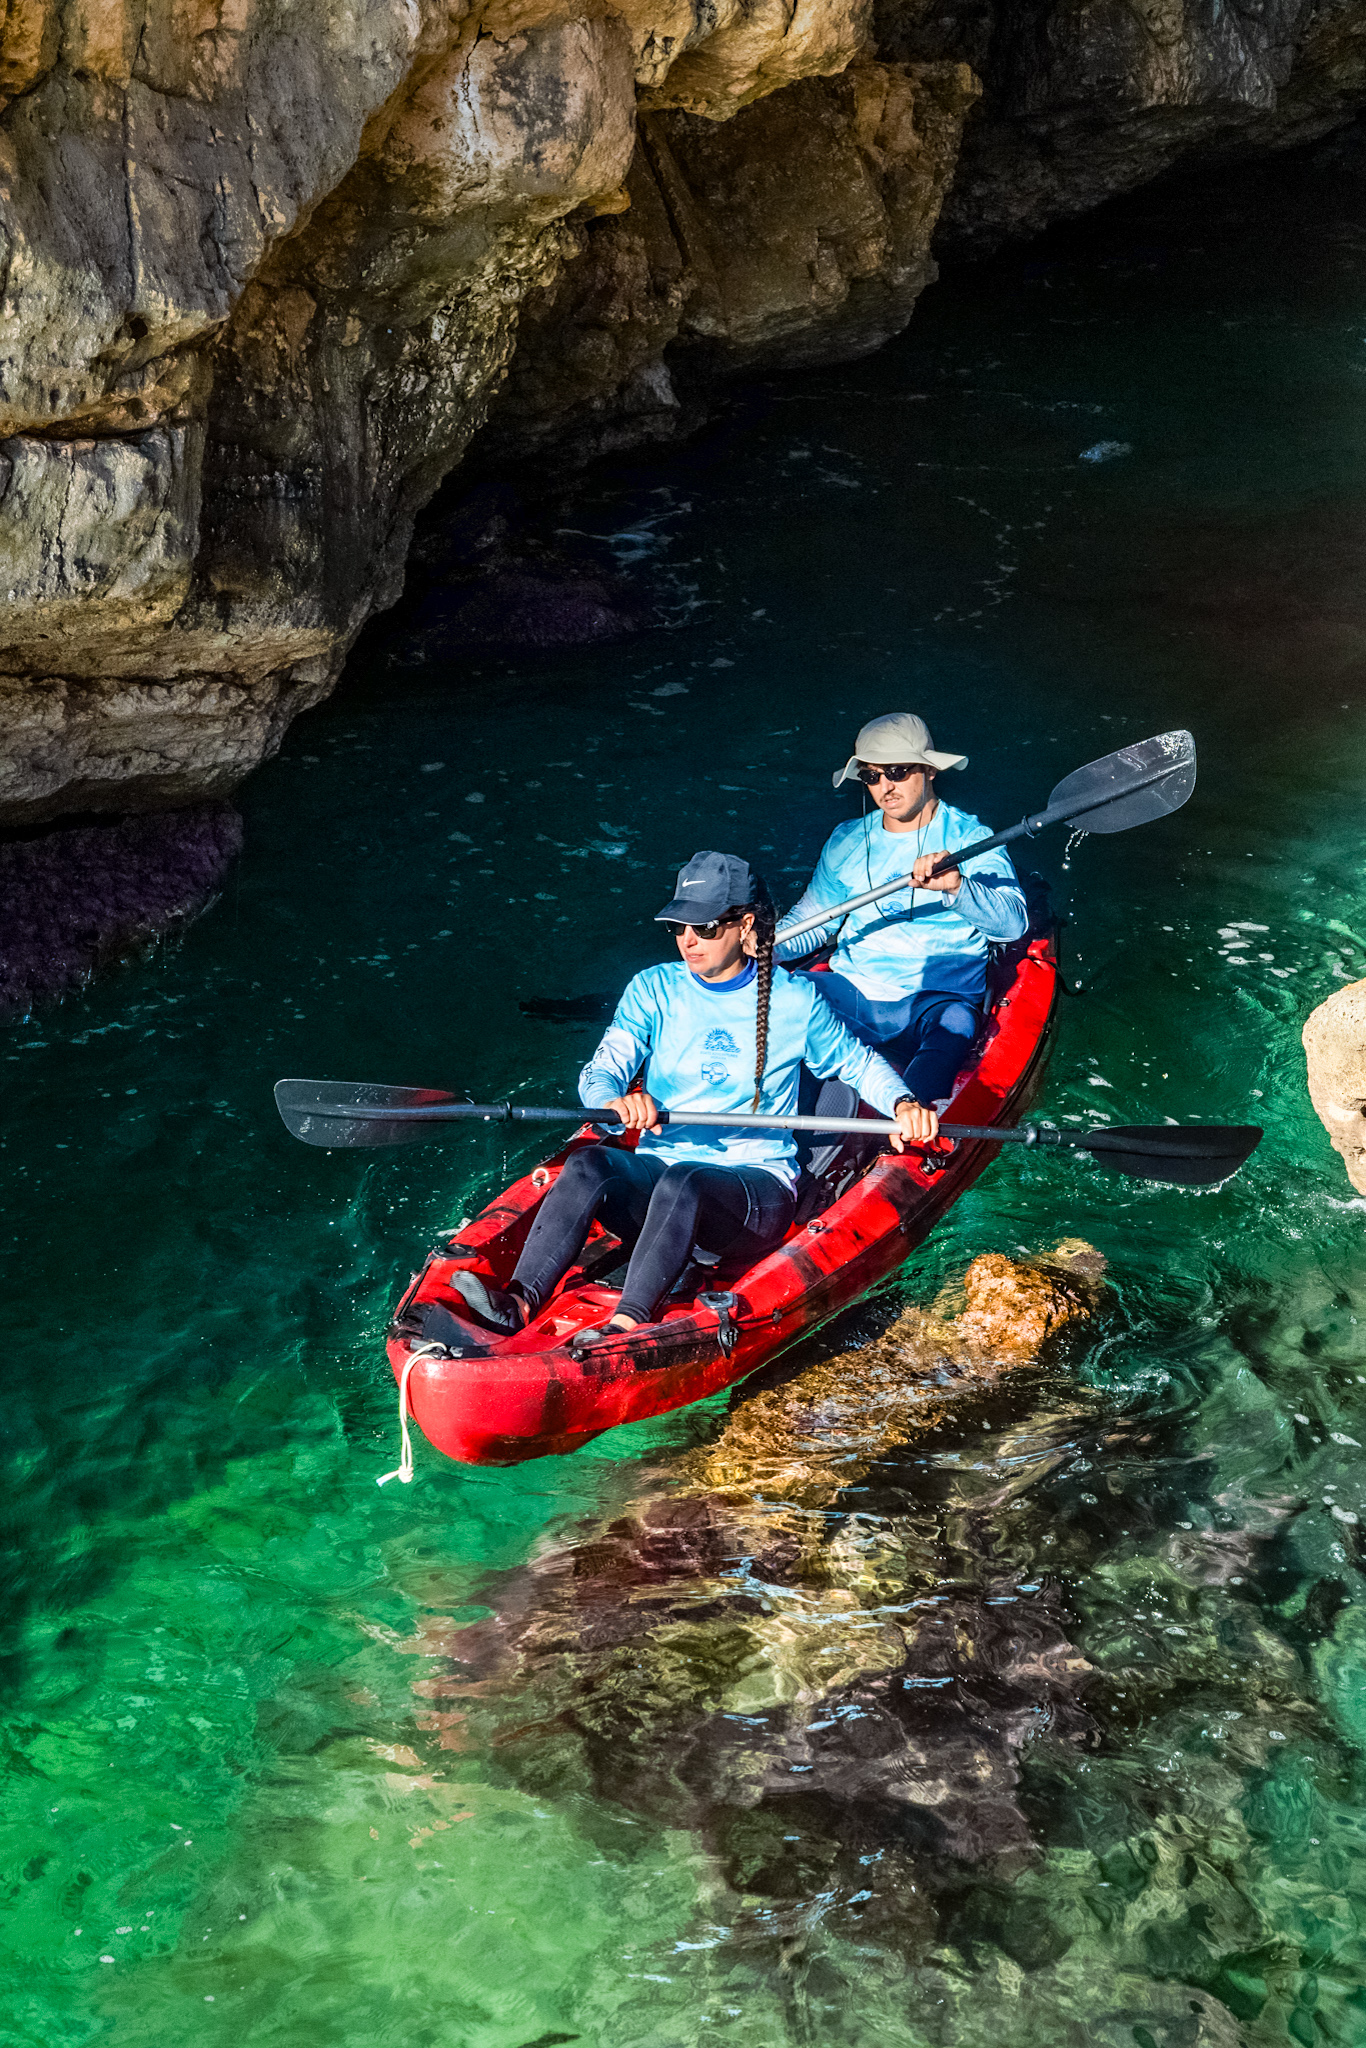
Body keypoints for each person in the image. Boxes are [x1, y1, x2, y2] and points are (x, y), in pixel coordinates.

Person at [450, 851, 935, 1348]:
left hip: (754, 1197)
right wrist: (613, 1101)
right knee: (590, 1163)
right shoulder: (652, 988)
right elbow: (602, 1071)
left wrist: (902, 1106)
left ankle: (626, 1326)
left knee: (684, 1181)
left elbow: (858, 1064)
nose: (688, 940)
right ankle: (520, 1301)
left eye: (704, 927)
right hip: (661, 1186)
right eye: (679, 925)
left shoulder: (795, 1001)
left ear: (745, 924)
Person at [774, 711, 1028, 1105]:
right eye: (872, 776)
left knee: (956, 1024)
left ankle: (913, 1125)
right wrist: (763, 950)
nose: (885, 786)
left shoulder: (971, 839)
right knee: (779, 996)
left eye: (896, 771)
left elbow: (1012, 925)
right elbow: (813, 922)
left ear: (929, 770)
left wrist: (956, 886)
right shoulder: (847, 839)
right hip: (853, 991)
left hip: (936, 1002)